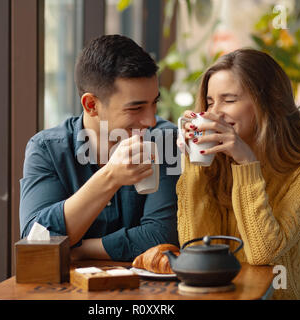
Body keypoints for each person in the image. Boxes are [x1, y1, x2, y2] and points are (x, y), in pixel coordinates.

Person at [177, 48, 300, 299]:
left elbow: (264, 253)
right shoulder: (216, 164)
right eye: (209, 102)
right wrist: (196, 163)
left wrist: (247, 163)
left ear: (268, 103)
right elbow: (194, 248)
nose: (214, 113)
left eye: (229, 100)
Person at [19, 34, 180, 262]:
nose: (151, 120)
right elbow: (36, 241)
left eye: (154, 103)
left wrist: (81, 249)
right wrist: (111, 176)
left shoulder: (164, 140)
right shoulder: (47, 149)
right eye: (136, 108)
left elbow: (162, 237)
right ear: (91, 105)